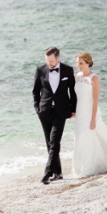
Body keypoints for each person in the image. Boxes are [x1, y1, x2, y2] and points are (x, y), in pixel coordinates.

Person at [32, 46, 77, 185]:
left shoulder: (67, 70)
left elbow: (72, 91)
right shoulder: (40, 70)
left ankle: (48, 172)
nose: (49, 63)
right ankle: (58, 173)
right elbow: (35, 91)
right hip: (44, 111)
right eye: (47, 60)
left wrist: (73, 109)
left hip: (61, 111)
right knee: (50, 144)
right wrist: (37, 109)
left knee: (55, 141)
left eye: (51, 61)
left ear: (58, 58)